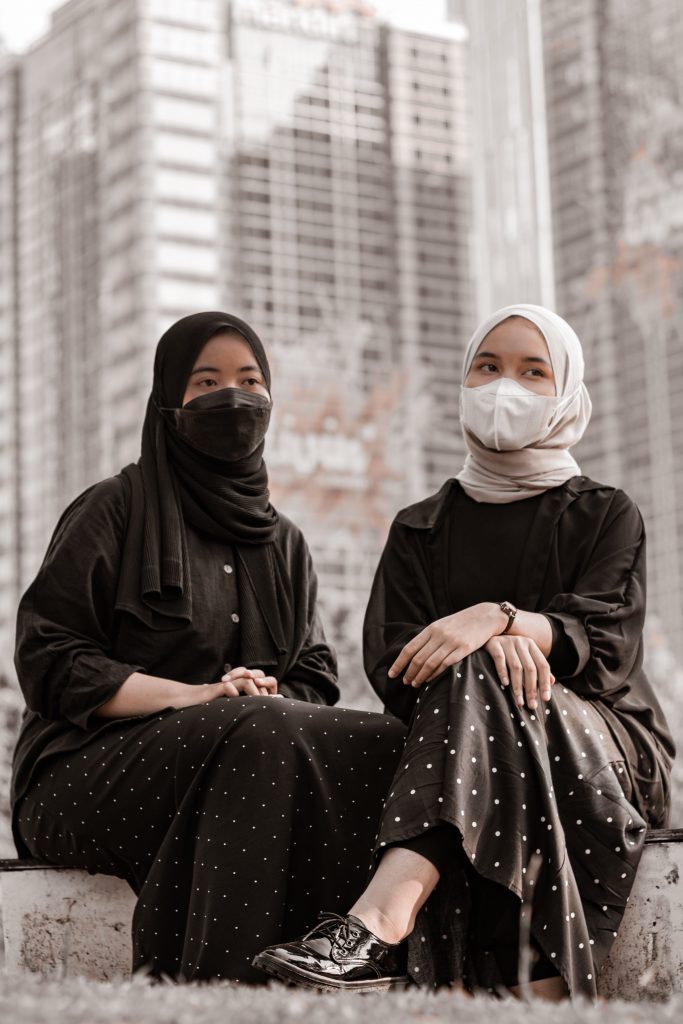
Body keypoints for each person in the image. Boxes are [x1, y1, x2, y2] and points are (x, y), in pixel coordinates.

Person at [253, 304, 674, 1000]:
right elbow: (396, 666)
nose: (503, 385)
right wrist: (489, 657)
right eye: (487, 366)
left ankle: (377, 923)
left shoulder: (604, 513)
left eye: (531, 371)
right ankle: (534, 978)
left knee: (484, 666)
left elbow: (606, 645)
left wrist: (500, 622)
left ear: (565, 392)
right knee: (477, 677)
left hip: (612, 746)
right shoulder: (420, 529)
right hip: (464, 744)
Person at [9, 311, 406, 984]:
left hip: (243, 753)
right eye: (207, 382)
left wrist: (260, 692)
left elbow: (310, 676)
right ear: (170, 405)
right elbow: (50, 661)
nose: (234, 399)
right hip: (81, 778)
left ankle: (350, 964)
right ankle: (218, 979)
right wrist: (200, 697)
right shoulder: (114, 509)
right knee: (254, 727)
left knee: (386, 741)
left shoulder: (284, 545)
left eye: (250, 382)